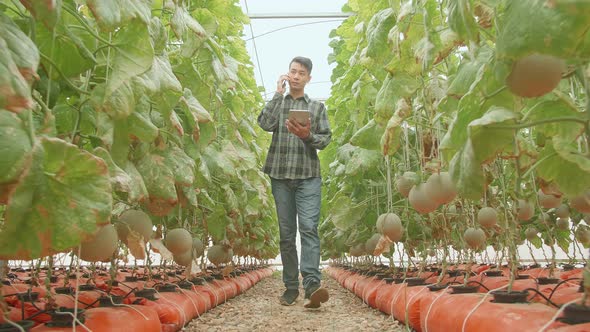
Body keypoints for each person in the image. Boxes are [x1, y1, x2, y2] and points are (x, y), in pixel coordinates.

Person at [257, 56, 332, 308]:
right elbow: (264, 123)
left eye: (301, 73)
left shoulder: (317, 107)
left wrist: (307, 135)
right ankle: (291, 287)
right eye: (293, 71)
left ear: (309, 78)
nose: (296, 76)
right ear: (287, 75)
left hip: (308, 176)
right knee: (287, 234)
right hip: (280, 175)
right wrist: (277, 94)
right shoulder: (279, 103)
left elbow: (325, 139)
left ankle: (311, 284)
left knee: (309, 228)